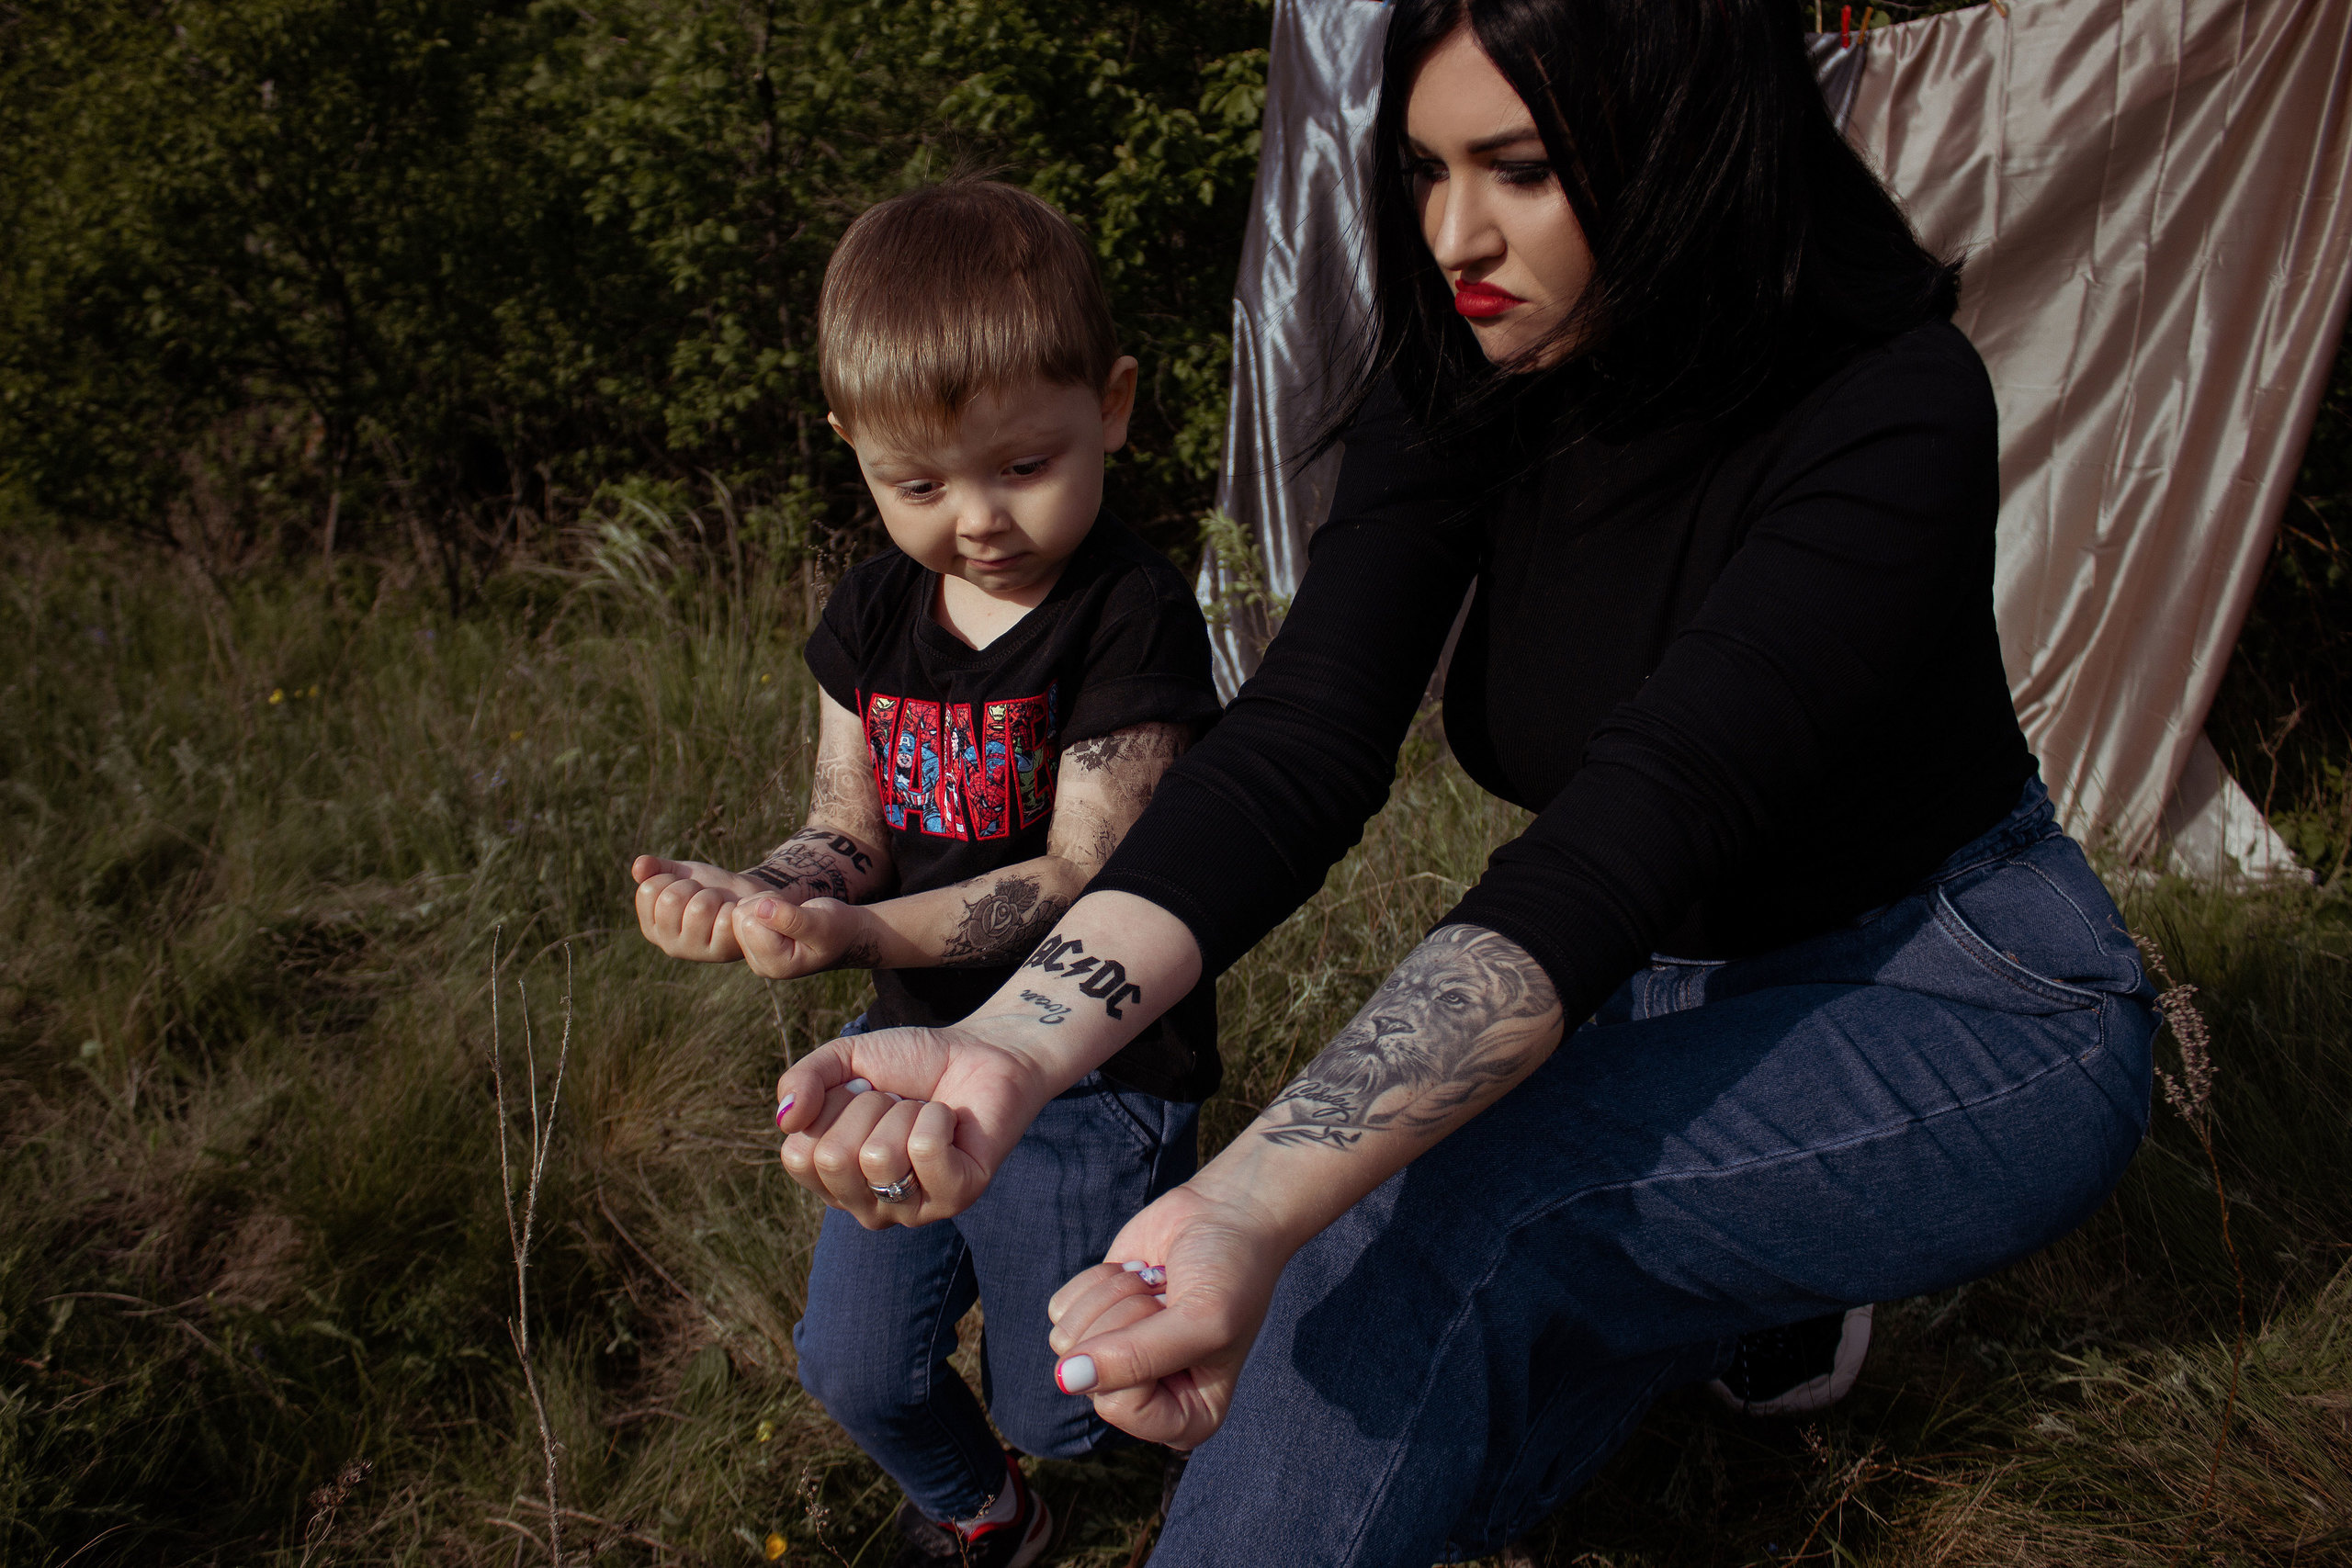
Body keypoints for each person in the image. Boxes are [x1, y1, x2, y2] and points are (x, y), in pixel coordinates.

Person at [772, 1, 2160, 1561]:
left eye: (1519, 168)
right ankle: (1735, 1280)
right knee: (1446, 1375)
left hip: (1953, 988)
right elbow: (1300, 743)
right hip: (1649, 983)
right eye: (1424, 168)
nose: (1453, 232)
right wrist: (1008, 1048)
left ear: (1689, 138)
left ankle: (1750, 1264)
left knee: (1417, 1203)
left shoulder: (1891, 406)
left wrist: (1248, 1201)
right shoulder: (1473, 362)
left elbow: (1630, 833)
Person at [630, 179, 1221, 1567]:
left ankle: (1213, 1428)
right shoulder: (871, 610)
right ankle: (986, 1514)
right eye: (918, 483)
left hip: (1091, 1072)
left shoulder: (1127, 613)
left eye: (1024, 465)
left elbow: (1082, 870)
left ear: (1113, 405)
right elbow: (848, 824)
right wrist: (767, 892)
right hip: (901, 1050)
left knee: (1068, 1401)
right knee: (854, 1369)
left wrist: (848, 928)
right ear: (851, 446)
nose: (976, 519)